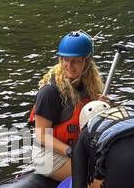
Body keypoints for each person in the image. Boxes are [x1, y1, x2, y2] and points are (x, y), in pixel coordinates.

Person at [29, 31, 104, 180]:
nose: (69, 66)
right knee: (94, 176)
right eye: (65, 60)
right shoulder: (49, 92)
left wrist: (103, 108)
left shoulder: (89, 88)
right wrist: (70, 152)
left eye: (75, 61)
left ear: (86, 62)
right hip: (47, 154)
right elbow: (41, 135)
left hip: (76, 149)